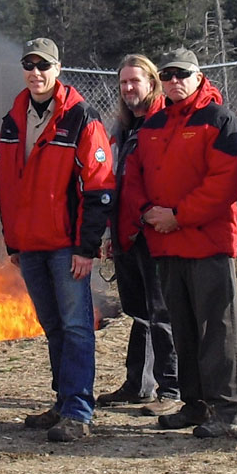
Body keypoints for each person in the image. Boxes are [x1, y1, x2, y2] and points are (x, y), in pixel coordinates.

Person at [121, 48, 237, 439]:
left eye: (183, 74)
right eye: (169, 75)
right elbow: (134, 174)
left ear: (198, 76)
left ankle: (226, 409)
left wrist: (178, 215)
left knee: (218, 329)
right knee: (182, 327)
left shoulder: (219, 120)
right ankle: (194, 404)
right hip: (165, 245)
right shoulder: (154, 123)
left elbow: (225, 181)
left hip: (207, 243)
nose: (175, 81)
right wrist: (146, 212)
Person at [0, 37, 114, 443]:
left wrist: (86, 247)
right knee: (53, 326)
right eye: (29, 65)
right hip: (29, 246)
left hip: (66, 245)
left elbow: (98, 188)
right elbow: (8, 185)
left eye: (43, 66)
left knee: (77, 325)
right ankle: (63, 402)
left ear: (58, 69)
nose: (36, 73)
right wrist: (13, 242)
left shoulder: (81, 116)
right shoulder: (14, 119)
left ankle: (79, 411)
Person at [98, 54, 180, 417]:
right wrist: (108, 231)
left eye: (136, 81)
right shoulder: (123, 127)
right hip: (126, 233)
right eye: (124, 83)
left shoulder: (164, 122)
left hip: (156, 233)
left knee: (162, 313)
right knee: (139, 312)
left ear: (152, 83)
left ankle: (172, 388)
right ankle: (139, 385)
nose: (129, 88)